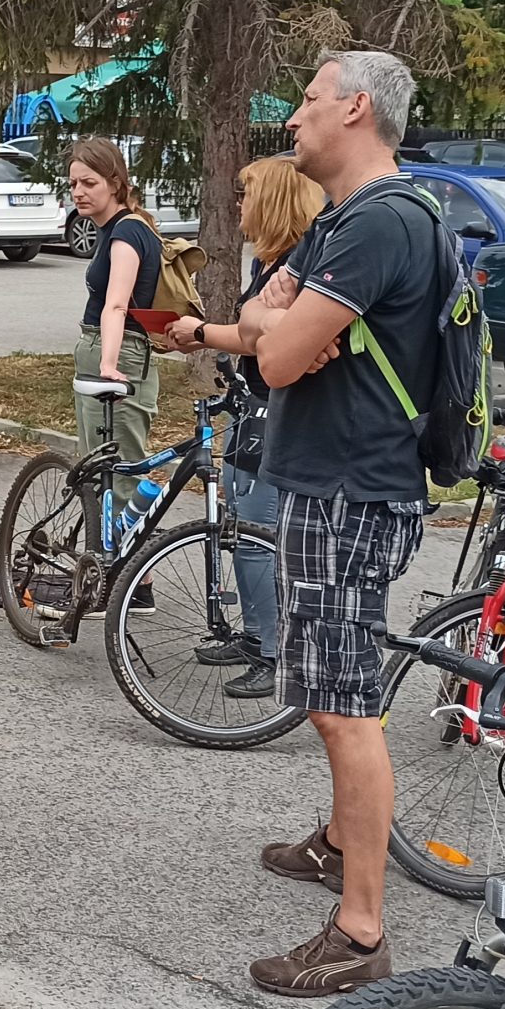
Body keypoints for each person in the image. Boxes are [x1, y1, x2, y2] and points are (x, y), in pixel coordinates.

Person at [234, 49, 446, 999]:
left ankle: (360, 931)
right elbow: (258, 328)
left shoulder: (378, 225)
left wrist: (277, 326)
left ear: (356, 108)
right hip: (344, 483)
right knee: (332, 687)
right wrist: (273, 321)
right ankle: (334, 843)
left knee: (343, 703)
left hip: (350, 491)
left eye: (308, 102)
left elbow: (274, 358)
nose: (293, 120)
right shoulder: (358, 220)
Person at [166, 156, 327, 699]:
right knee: (237, 524)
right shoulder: (268, 263)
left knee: (259, 532)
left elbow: (265, 340)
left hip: (281, 412)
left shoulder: (299, 268)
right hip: (250, 404)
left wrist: (208, 333)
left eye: (246, 194)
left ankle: (274, 651)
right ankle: (254, 632)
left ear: (275, 201)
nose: (238, 204)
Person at [69, 138, 162, 497]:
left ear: (115, 183)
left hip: (120, 354)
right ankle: (99, 549)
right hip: (100, 347)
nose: (79, 192)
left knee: (119, 479)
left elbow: (117, 305)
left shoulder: (128, 231)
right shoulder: (110, 228)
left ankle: (122, 552)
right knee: (95, 473)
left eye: (89, 183)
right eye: (73, 184)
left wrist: (108, 362)